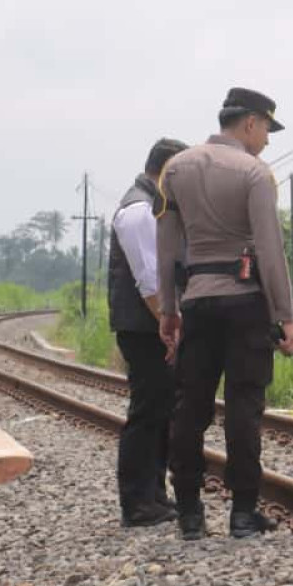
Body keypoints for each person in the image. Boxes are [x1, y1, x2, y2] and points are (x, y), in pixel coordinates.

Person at [156, 87, 293, 541]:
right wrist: (287, 316)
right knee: (244, 407)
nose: (267, 142)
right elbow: (270, 250)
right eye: (266, 130)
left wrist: (168, 310)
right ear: (251, 123)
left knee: (190, 406)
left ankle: (189, 513)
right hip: (245, 302)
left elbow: (166, 247)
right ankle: (242, 512)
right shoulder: (255, 173)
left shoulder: (174, 169)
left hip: (197, 300)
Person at [110, 137, 188, 528]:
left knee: (161, 411)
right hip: (144, 327)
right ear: (167, 169)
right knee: (147, 411)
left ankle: (154, 496)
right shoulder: (138, 209)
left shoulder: (151, 204)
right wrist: (168, 325)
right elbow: (148, 280)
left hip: (151, 326)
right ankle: (137, 503)